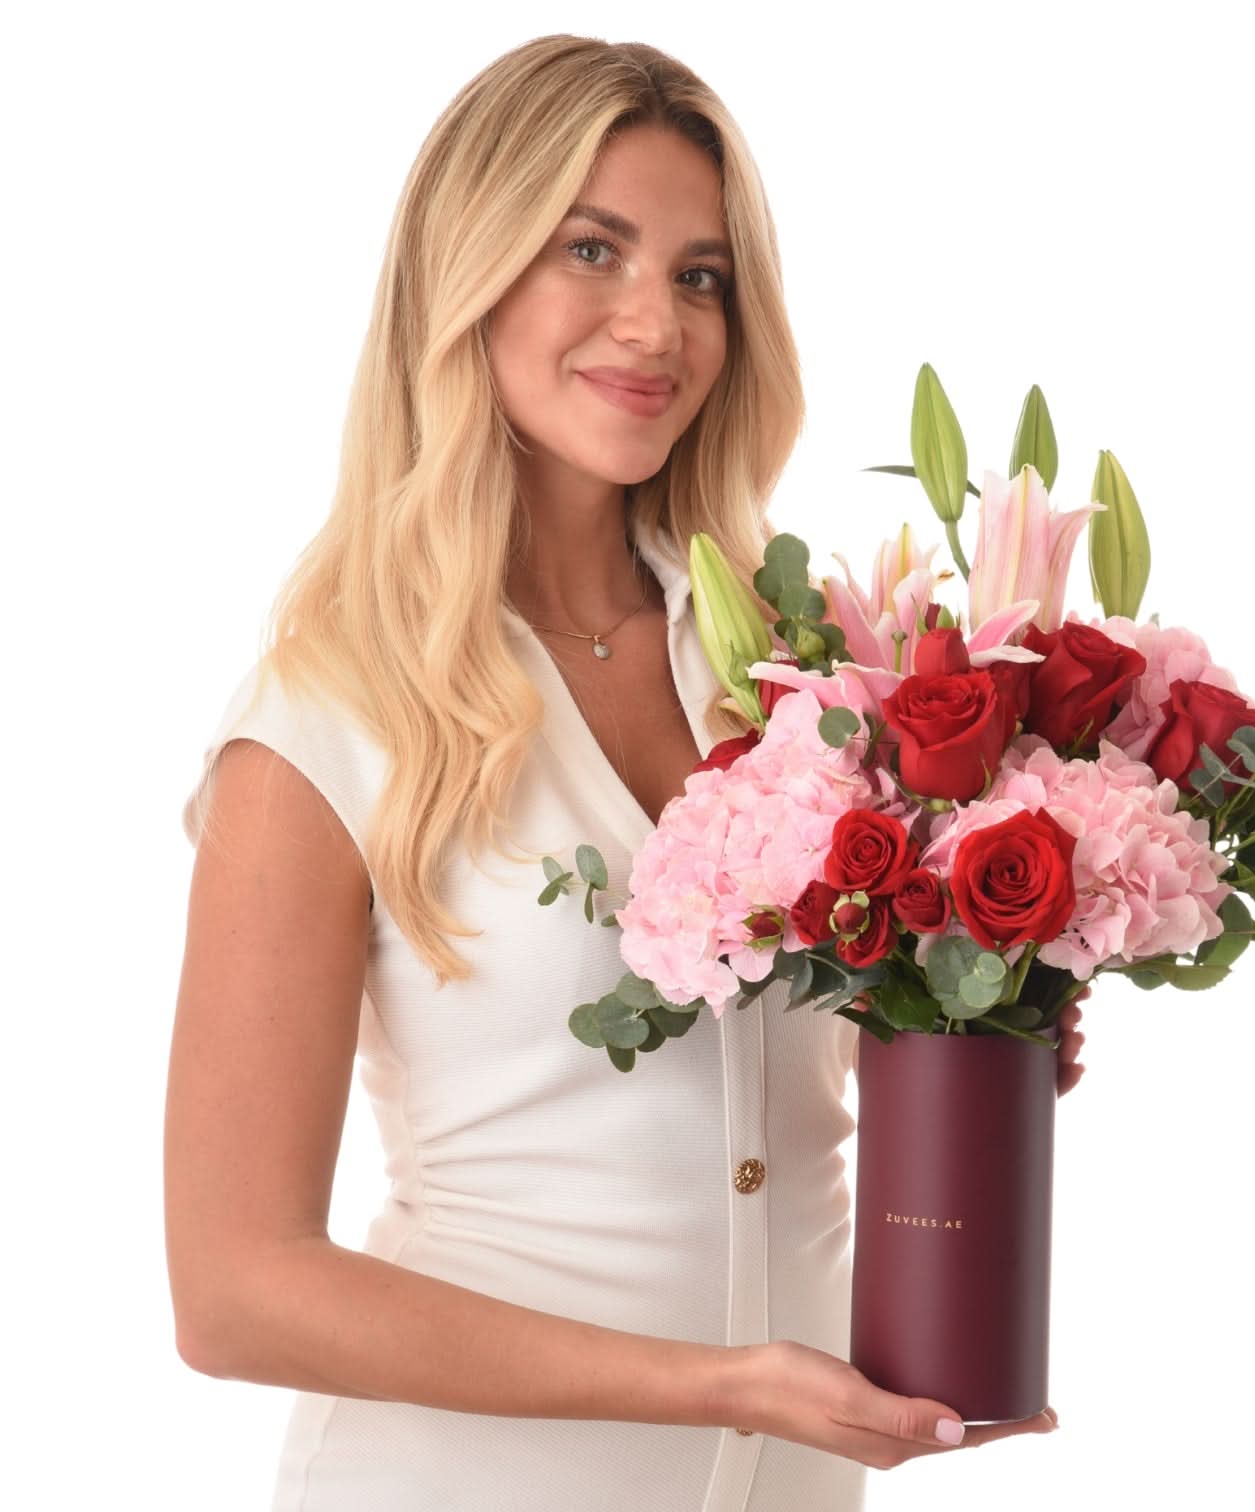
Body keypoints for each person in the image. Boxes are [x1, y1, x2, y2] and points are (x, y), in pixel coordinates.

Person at [165, 34, 1089, 1511]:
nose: (656, 324)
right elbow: (234, 1291)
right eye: (591, 249)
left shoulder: (800, 672)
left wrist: (965, 1019)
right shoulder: (328, 718)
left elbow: (763, 1084)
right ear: (469, 271)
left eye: (702, 275)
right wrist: (715, 1384)